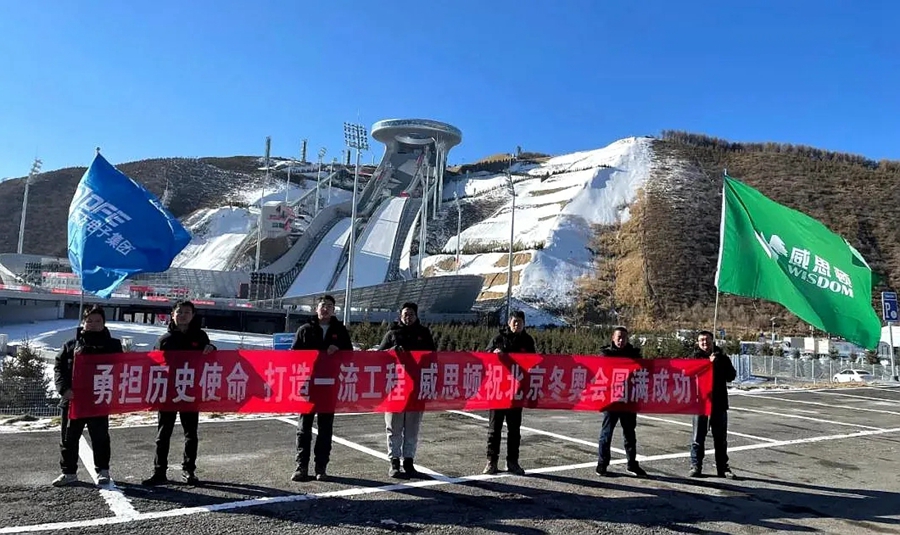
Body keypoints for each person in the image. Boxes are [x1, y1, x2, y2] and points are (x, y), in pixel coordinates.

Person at [142, 300, 215, 486]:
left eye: (187, 312)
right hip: (167, 392)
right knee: (163, 434)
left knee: (191, 434)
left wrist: (212, 349)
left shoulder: (200, 337)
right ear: (172, 315)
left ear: (193, 315)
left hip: (190, 391)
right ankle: (159, 471)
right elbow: (153, 367)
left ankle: (189, 470)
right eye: (179, 312)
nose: (183, 315)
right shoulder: (164, 340)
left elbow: (212, 359)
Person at [51, 305, 123, 487]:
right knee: (68, 438)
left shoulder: (113, 345)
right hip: (73, 399)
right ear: (83, 322)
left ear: (104, 323)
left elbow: (122, 369)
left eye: (97, 321)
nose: (93, 324)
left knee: (100, 437)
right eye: (89, 321)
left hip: (99, 399)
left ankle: (103, 471)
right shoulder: (71, 345)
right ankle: (68, 472)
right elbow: (59, 368)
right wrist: (64, 389)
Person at [290, 294, 353, 483]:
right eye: (323, 305)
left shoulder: (340, 331)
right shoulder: (305, 330)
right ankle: (301, 467)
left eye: (329, 306)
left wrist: (338, 350)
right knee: (303, 429)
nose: (325, 308)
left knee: (325, 429)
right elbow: (293, 356)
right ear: (316, 308)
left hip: (329, 386)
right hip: (308, 386)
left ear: (334, 309)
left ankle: (321, 467)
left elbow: (351, 356)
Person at [376, 302, 435, 478]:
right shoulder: (393, 334)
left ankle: (409, 461)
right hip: (395, 387)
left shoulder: (424, 334)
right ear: (400, 316)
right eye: (405, 314)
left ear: (416, 316)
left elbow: (434, 357)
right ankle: (394, 462)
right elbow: (378, 356)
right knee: (394, 427)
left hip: (416, 388)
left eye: (411, 314)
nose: (408, 317)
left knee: (412, 428)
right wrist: (392, 350)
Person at [482, 310, 536, 476]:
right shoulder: (498, 339)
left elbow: (534, 362)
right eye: (514, 321)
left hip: (516, 393)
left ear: (524, 324)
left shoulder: (527, 341)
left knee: (514, 430)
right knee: (494, 429)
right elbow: (484, 358)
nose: (517, 324)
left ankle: (512, 462)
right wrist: (493, 354)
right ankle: (491, 461)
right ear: (509, 323)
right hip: (498, 391)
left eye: (520, 322)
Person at [596, 326, 647, 478]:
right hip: (611, 400)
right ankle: (602, 463)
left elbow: (644, 372)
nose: (621, 340)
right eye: (618, 337)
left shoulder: (634, 355)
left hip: (629, 401)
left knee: (630, 434)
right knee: (606, 434)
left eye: (624, 337)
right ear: (613, 338)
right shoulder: (606, 354)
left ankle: (632, 464)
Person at [690, 330, 737, 478]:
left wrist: (717, 364)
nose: (705, 343)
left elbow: (731, 376)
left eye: (707, 340)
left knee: (720, 439)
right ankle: (696, 466)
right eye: (702, 340)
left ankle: (723, 467)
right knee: (698, 438)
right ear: (698, 343)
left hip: (719, 403)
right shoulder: (694, 358)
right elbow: (689, 375)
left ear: (712, 341)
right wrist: (707, 365)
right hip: (700, 403)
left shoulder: (722, 358)